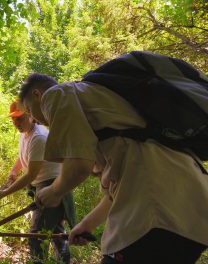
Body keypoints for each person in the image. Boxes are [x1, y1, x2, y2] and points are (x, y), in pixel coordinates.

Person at [18, 73, 208, 264]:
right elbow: (116, 191)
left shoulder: (55, 94)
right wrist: (87, 224)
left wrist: (54, 191)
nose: (33, 119)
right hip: (191, 212)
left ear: (37, 95)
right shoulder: (102, 118)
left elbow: (78, 166)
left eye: (28, 110)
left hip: (156, 212)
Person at [0, 100, 75, 264]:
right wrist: (14, 170)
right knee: (57, 232)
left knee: (36, 236)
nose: (16, 123)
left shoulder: (39, 137)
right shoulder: (26, 133)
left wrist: (4, 193)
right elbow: (25, 155)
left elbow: (30, 175)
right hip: (44, 184)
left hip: (52, 186)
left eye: (20, 118)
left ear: (30, 115)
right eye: (13, 119)